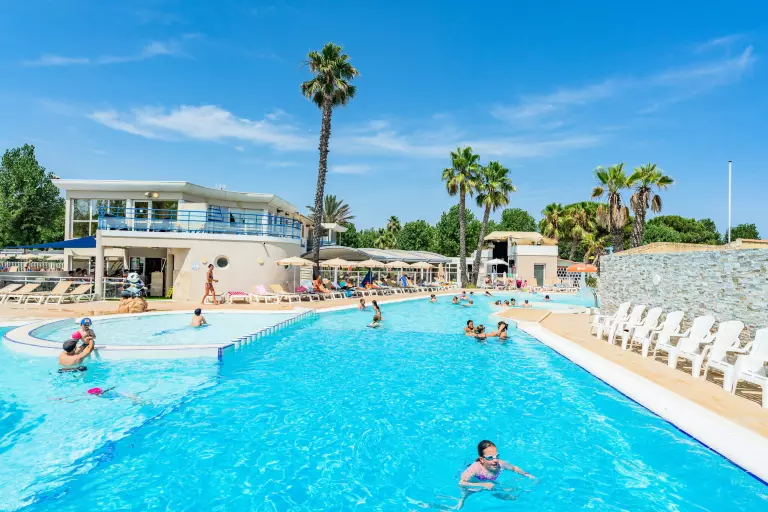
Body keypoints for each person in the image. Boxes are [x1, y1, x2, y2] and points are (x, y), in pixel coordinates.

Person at [458, 440, 534, 506]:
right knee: (466, 494)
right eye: (490, 457)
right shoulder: (475, 468)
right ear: (481, 459)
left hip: (488, 482)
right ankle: (461, 501)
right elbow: (461, 483)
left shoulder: (500, 464)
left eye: (497, 456)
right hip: (474, 482)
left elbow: (514, 468)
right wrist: (482, 485)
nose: (495, 460)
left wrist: (526, 474)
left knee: (508, 494)